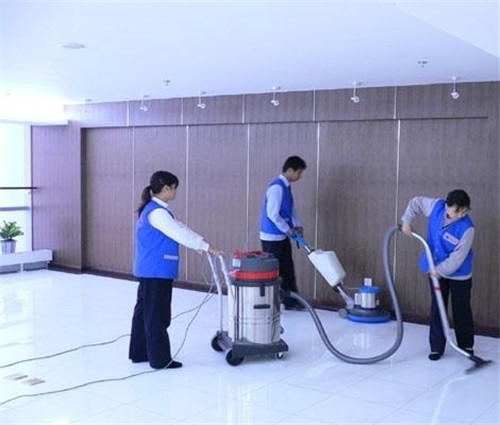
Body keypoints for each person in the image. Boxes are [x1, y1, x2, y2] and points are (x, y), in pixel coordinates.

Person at [129, 170, 221, 369]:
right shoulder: (157, 213)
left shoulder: (152, 209)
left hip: (149, 269)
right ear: (166, 188)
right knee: (157, 315)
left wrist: (203, 244)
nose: (176, 192)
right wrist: (205, 247)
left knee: (144, 312)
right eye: (174, 188)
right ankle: (160, 360)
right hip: (157, 270)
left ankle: (140, 352)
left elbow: (181, 227)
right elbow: (178, 233)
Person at [401, 189, 475, 361]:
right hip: (435, 267)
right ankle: (436, 347)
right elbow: (416, 202)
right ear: (447, 206)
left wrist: (439, 271)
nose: (462, 215)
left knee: (461, 309)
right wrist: (406, 221)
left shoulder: (468, 228)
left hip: (459, 274)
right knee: (438, 307)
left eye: (465, 211)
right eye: (458, 211)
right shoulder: (436, 207)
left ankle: (466, 345)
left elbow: (458, 258)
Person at [260, 155, 307, 311]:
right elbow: (272, 214)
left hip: (282, 235)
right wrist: (288, 230)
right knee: (273, 271)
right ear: (290, 170)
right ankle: (270, 302)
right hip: (271, 237)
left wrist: (298, 226)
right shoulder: (276, 188)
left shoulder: (286, 188)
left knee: (287, 268)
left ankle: (291, 301)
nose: (300, 176)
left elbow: (291, 210)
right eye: (299, 172)